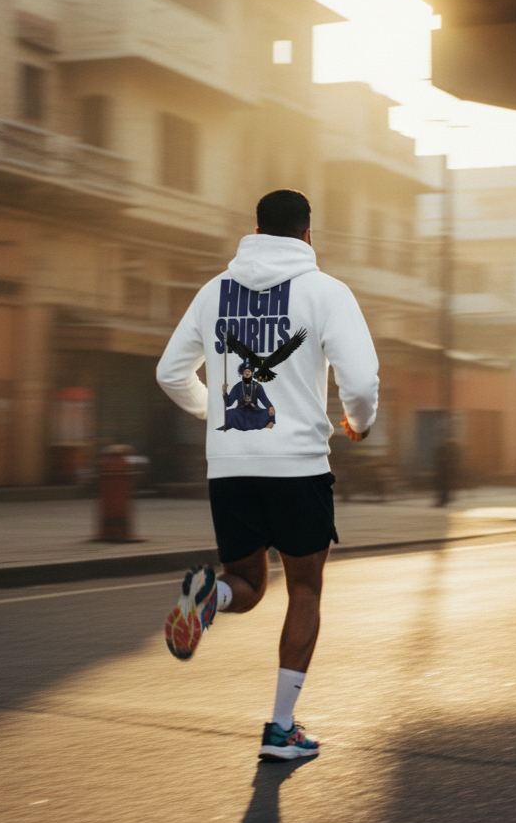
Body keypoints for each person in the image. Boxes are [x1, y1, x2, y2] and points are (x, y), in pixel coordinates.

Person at [157, 189, 378, 760]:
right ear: (308, 235)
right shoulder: (327, 292)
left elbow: (169, 372)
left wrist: (216, 411)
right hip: (299, 468)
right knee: (303, 588)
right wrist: (358, 422)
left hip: (230, 468)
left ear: (255, 230)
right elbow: (362, 379)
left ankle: (211, 599)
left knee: (248, 584)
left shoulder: (213, 292)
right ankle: (281, 729)